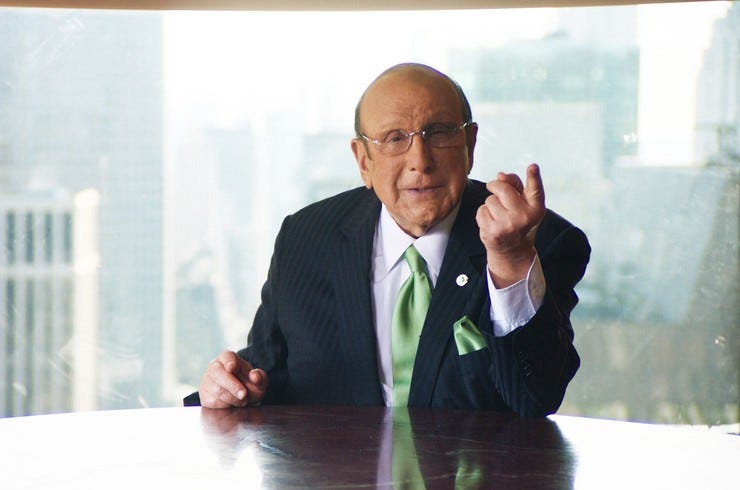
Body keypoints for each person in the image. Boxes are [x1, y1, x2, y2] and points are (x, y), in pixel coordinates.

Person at [185, 62, 590, 416]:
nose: (420, 161)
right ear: (363, 161)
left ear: (469, 144)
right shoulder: (305, 239)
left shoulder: (537, 239)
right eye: (395, 139)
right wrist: (228, 387)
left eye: (438, 133)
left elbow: (534, 400)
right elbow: (264, 375)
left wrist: (511, 260)